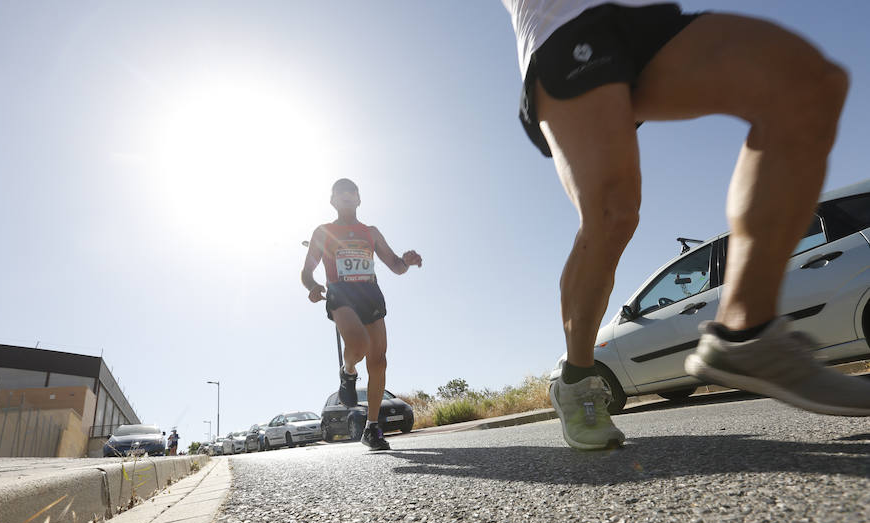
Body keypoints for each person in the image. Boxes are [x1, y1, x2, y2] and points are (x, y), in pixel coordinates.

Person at [501, 1, 870, 450]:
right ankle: (577, 378)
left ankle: (745, 333)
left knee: (809, 85)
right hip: (563, 26)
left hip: (648, 20)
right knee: (611, 215)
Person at [301, 178, 422, 451]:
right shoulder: (323, 232)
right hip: (341, 294)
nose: (346, 195)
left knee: (379, 361)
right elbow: (306, 272)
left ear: (358, 198)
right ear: (332, 201)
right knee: (359, 346)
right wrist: (312, 286)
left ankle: (372, 427)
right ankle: (348, 370)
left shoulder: (372, 232)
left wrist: (407, 261)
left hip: (370, 294)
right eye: (339, 192)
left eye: (351, 191)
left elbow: (395, 266)